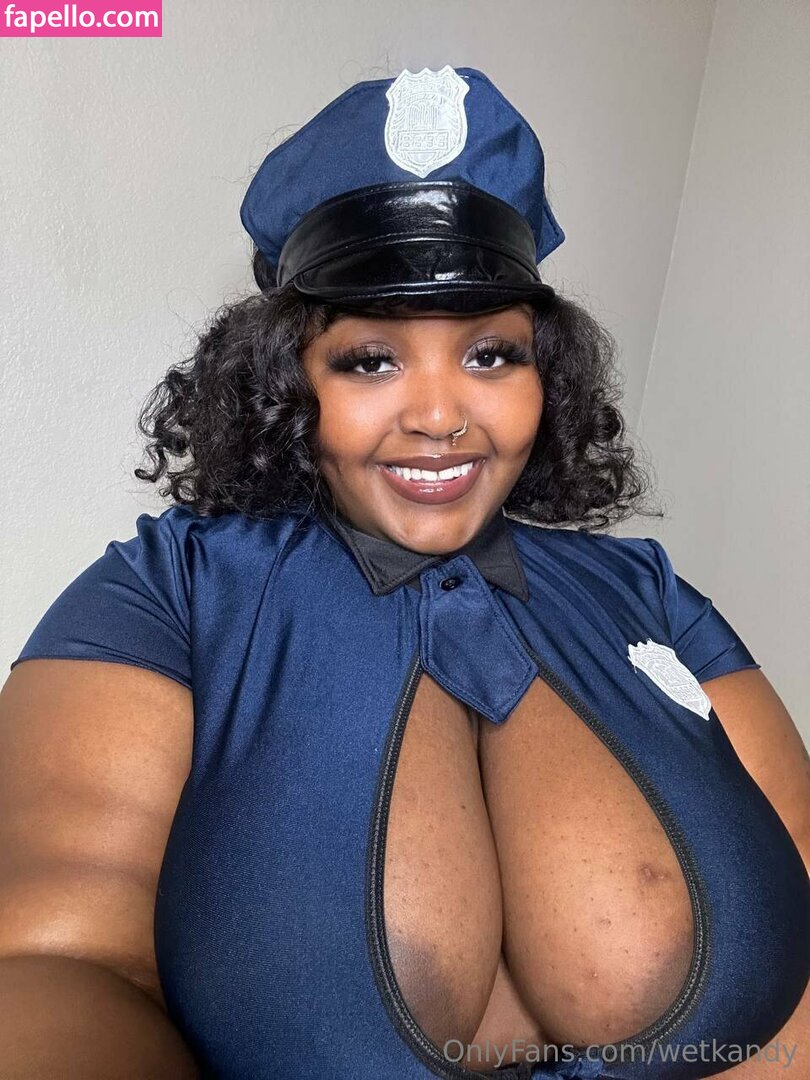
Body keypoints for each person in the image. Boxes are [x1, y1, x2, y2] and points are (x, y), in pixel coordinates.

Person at [1, 65, 808, 1080]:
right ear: (286, 380)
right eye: (371, 360)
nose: (438, 415)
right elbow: (58, 967)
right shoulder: (169, 594)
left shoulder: (650, 596)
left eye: (490, 355)